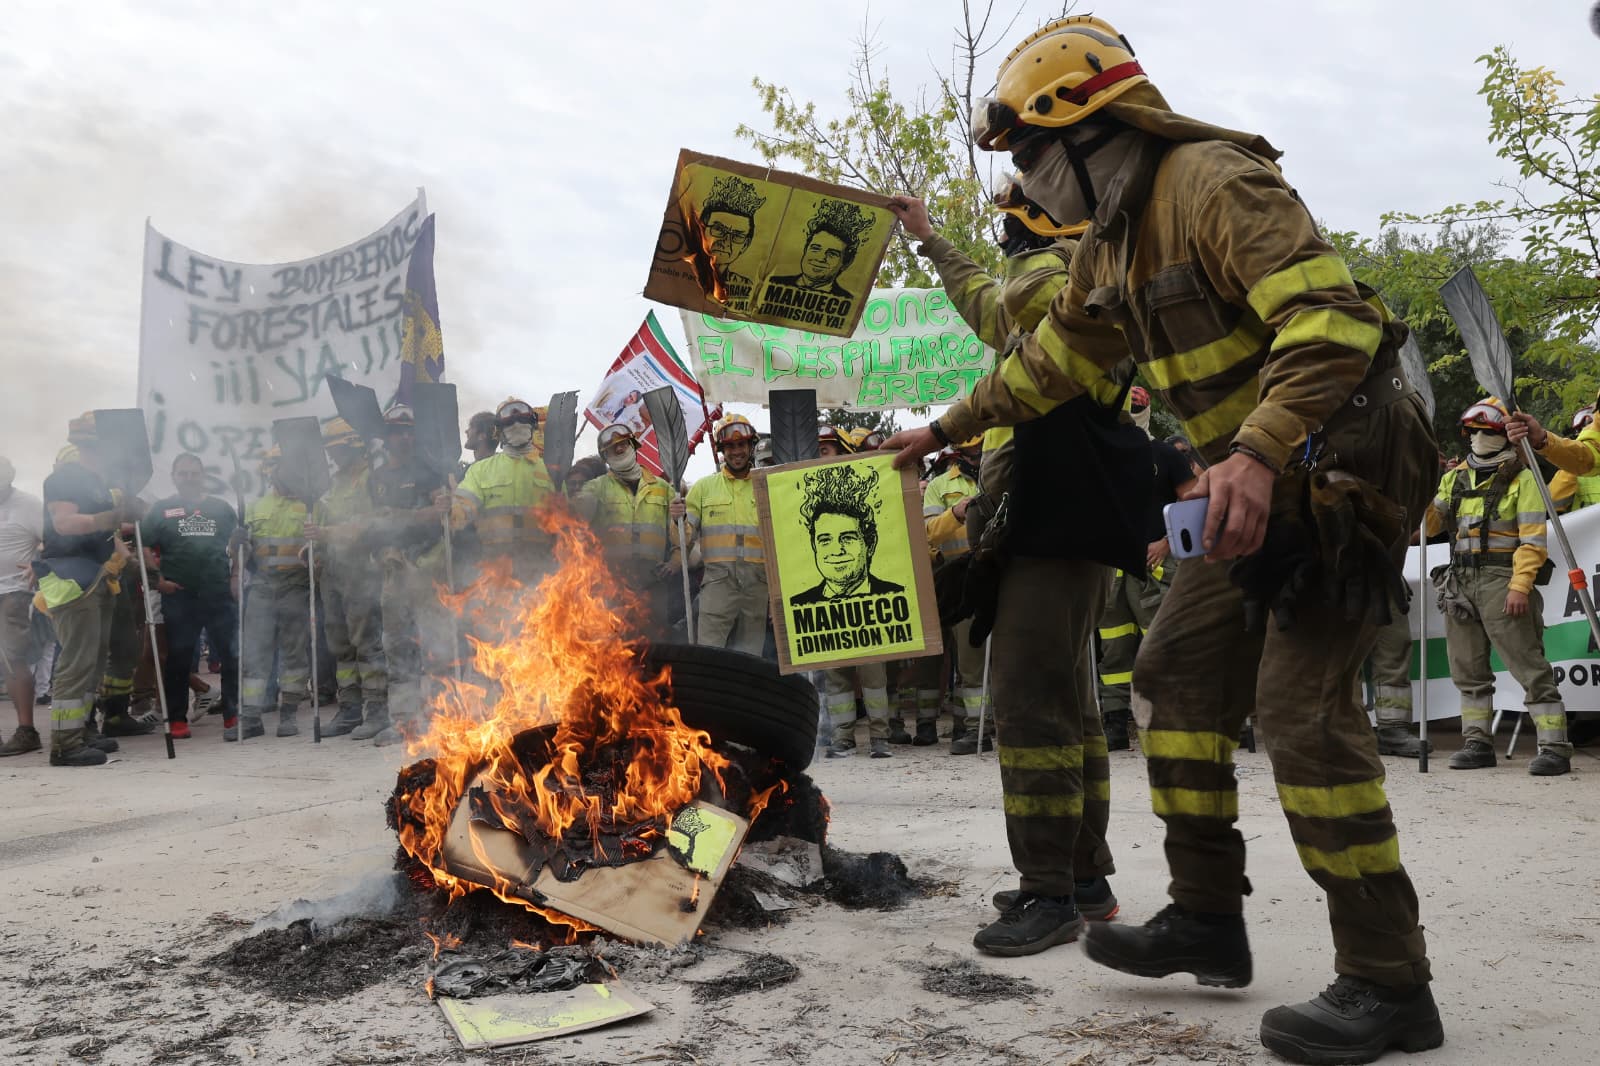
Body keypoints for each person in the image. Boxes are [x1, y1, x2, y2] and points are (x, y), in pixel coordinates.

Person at [885, 16, 1442, 1059]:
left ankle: (1386, 979)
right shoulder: (1107, 243)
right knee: (1177, 677)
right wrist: (937, 431)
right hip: (1260, 465)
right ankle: (1204, 918)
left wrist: (1257, 450)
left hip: (1348, 447)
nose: (1025, 185)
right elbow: (1044, 364)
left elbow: (1335, 325)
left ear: (1092, 131)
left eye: (1030, 158)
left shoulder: (1213, 182)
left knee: (1298, 710)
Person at [891, 178, 1124, 951]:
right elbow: (990, 306)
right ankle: (1082, 876)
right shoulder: (1074, 278)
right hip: (1059, 530)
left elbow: (1000, 309)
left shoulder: (1056, 275)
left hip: (1048, 533)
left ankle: (1047, 893)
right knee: (1072, 713)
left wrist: (937, 429)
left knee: (1030, 715)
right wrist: (927, 236)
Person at [1427, 398, 1570, 776]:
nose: (1477, 438)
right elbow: (1426, 528)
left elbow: (1533, 541)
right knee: (1467, 670)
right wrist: (1417, 487)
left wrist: (1520, 586)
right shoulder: (1453, 478)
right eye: (1472, 432)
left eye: (1485, 432)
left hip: (1502, 580)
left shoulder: (1524, 478)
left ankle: (1554, 747)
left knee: (1528, 665)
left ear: (1503, 435)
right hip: (1459, 582)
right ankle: (1477, 742)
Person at [1095, 386, 1196, 750]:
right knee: (1115, 649)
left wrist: (1167, 541)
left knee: (1161, 646)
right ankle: (1116, 723)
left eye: (1137, 406)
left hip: (1156, 566)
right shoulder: (1102, 455)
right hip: (1114, 571)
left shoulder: (1166, 455)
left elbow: (1193, 505)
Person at [35, 417, 130, 766]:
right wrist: (114, 517)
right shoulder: (65, 478)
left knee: (92, 661)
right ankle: (65, 744)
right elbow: (64, 524)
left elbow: (104, 530)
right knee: (76, 662)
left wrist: (122, 546)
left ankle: (83, 730)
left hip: (96, 576)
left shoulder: (96, 483)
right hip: (71, 576)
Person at [798, 427, 894, 758]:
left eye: (824, 450)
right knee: (835, 675)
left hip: (866, 598)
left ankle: (880, 736)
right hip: (826, 600)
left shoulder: (863, 488)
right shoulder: (803, 491)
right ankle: (843, 737)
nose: (818, 454)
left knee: (872, 673)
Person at [361, 404, 447, 745]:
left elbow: (437, 517)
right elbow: (373, 524)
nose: (404, 437)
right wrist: (382, 552)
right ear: (387, 436)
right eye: (397, 431)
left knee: (435, 644)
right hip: (393, 570)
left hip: (427, 567)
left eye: (409, 431)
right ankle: (403, 721)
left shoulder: (431, 471)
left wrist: (398, 516)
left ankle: (440, 717)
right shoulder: (377, 478)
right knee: (396, 646)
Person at [139, 452, 240, 740]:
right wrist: (158, 579)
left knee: (231, 655)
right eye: (183, 473)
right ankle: (177, 719)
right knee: (179, 658)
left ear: (203, 476)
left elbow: (237, 544)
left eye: (194, 473)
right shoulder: (162, 509)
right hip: (180, 595)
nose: (189, 478)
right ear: (173, 477)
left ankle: (233, 714)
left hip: (217, 593)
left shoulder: (221, 509)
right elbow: (144, 544)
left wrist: (234, 576)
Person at [306, 420, 386, 737]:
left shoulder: (372, 480)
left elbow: (368, 525)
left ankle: (377, 710)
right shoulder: (334, 484)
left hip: (362, 570)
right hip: (333, 570)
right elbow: (321, 526)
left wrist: (326, 533)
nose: (334, 456)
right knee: (339, 644)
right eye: (332, 450)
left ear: (353, 446)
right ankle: (350, 709)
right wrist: (311, 549)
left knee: (366, 641)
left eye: (338, 449)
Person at [573, 424, 680, 639]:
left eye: (622, 444)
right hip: (612, 583)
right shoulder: (596, 488)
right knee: (613, 646)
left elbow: (680, 538)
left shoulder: (664, 488)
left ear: (633, 444)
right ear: (605, 457)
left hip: (654, 582)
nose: (619, 450)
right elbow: (573, 523)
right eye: (612, 448)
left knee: (655, 643)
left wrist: (674, 562)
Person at [920, 433, 990, 754]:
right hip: (963, 581)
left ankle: (997, 725)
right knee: (971, 659)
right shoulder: (938, 485)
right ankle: (976, 731)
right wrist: (955, 514)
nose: (974, 453)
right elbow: (928, 531)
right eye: (969, 448)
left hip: (1004, 574)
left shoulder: (1001, 471)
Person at [675, 415, 768, 655]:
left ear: (750, 447)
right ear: (721, 450)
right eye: (730, 446)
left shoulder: (766, 485)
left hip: (757, 587)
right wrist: (677, 519)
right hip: (718, 585)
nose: (736, 451)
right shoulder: (704, 488)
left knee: (751, 658)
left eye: (741, 445)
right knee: (710, 655)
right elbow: (684, 540)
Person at [235, 447, 311, 740]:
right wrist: (237, 543)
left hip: (296, 587)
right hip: (262, 588)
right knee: (255, 654)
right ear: (269, 471)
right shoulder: (253, 508)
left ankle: (289, 715)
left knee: (294, 654)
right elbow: (240, 555)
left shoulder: (309, 506)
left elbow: (317, 549)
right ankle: (252, 718)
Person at [452, 398, 558, 584]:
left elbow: (566, 520)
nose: (517, 425)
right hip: (494, 571)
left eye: (523, 420)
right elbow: (462, 509)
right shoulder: (480, 470)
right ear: (499, 432)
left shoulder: (551, 470)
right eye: (509, 422)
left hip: (540, 574)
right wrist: (451, 508)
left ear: (533, 426)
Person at [0, 456, 44, 756]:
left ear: (10, 475)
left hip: (14, 591)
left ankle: (26, 730)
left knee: (12, 657)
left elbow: (50, 540)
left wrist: (37, 563)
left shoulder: (28, 504)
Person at [1506, 398, 1600, 514]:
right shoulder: (1572, 469)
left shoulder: (1573, 468)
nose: (1589, 428)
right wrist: (1541, 440)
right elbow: (1549, 504)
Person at [698, 174, 766, 310]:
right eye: (719, 229)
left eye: (737, 236)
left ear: (745, 245)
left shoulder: (747, 289)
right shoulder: (683, 272)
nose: (726, 242)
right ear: (702, 229)